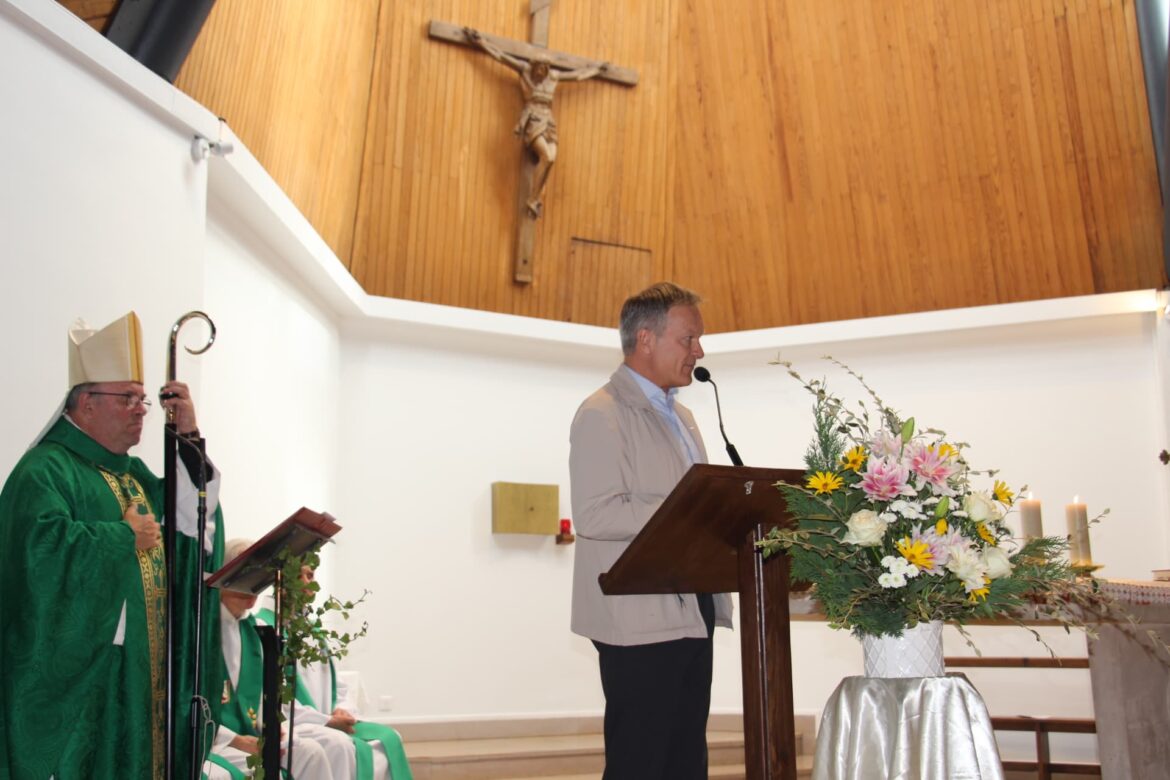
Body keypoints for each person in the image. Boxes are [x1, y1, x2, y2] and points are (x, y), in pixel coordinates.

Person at [0, 311, 225, 780]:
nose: (142, 409)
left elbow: (189, 525)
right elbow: (36, 558)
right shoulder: (45, 471)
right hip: (86, 681)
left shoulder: (131, 476)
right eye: (128, 398)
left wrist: (187, 435)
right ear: (85, 404)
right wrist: (121, 537)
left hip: (139, 673)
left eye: (143, 399)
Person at [569, 282, 732, 779]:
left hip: (691, 601)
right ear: (645, 339)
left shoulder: (682, 415)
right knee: (641, 761)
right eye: (689, 339)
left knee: (686, 758)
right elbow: (595, 514)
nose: (699, 351)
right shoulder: (602, 413)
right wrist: (690, 510)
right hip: (637, 612)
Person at [255, 565, 413, 780]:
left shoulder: (313, 631)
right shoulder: (264, 627)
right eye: (297, 575)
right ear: (277, 581)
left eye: (310, 575)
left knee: (388, 739)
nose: (306, 583)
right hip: (296, 724)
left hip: (325, 720)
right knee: (341, 746)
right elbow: (273, 697)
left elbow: (337, 684)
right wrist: (326, 720)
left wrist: (342, 709)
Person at [210, 539, 351, 780]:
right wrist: (233, 739)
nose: (255, 585)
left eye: (260, 576)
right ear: (225, 576)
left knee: (312, 752)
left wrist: (273, 730)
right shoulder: (203, 632)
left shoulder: (252, 631)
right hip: (216, 741)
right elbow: (188, 704)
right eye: (249, 575)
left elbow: (263, 697)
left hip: (253, 735)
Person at [463, 26, 608, 217]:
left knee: (551, 159)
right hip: (533, 120)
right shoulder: (524, 71)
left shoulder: (553, 77)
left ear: (546, 69)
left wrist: (596, 70)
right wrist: (481, 42)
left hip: (549, 122)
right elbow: (500, 56)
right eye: (538, 69)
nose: (540, 73)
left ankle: (534, 197)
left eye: (543, 69)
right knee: (548, 157)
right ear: (533, 66)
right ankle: (533, 199)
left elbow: (577, 76)